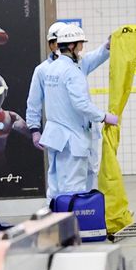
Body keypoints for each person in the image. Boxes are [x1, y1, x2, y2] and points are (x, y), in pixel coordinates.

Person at [37, 23, 119, 201]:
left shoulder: (50, 69)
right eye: (80, 44)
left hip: (56, 139)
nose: (82, 49)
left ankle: (56, 223)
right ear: (72, 45)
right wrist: (104, 117)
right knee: (74, 189)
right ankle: (73, 227)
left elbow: (92, 58)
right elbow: (81, 104)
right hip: (73, 139)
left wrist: (106, 47)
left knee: (56, 187)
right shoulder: (72, 72)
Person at [26, 21, 111, 156]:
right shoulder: (42, 70)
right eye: (56, 42)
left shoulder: (79, 63)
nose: (59, 46)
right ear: (51, 44)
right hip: (63, 133)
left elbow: (96, 56)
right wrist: (34, 128)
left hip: (84, 130)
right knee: (68, 172)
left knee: (89, 172)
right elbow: (34, 102)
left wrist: (107, 46)